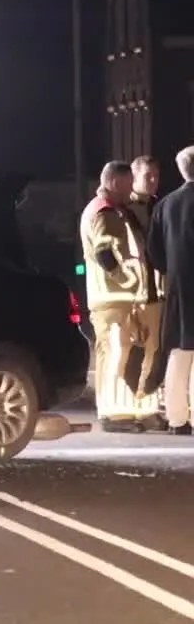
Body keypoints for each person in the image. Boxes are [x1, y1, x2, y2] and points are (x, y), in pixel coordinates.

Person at [81, 160, 158, 432]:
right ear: (114, 182)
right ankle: (113, 414)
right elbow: (105, 254)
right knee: (115, 353)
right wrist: (129, 280)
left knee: (122, 352)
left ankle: (127, 411)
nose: (129, 192)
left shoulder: (116, 210)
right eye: (126, 186)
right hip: (111, 297)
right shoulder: (104, 212)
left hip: (120, 298)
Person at [146, 146, 194, 436]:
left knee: (178, 352)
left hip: (177, 287)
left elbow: (153, 250)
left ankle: (177, 419)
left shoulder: (165, 204)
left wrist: (170, 270)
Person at [130, 155, 168, 406]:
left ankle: (151, 395)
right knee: (137, 348)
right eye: (148, 176)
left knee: (157, 347)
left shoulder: (160, 205)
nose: (153, 181)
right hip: (134, 290)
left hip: (159, 287)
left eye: (156, 175)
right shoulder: (124, 209)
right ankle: (139, 397)